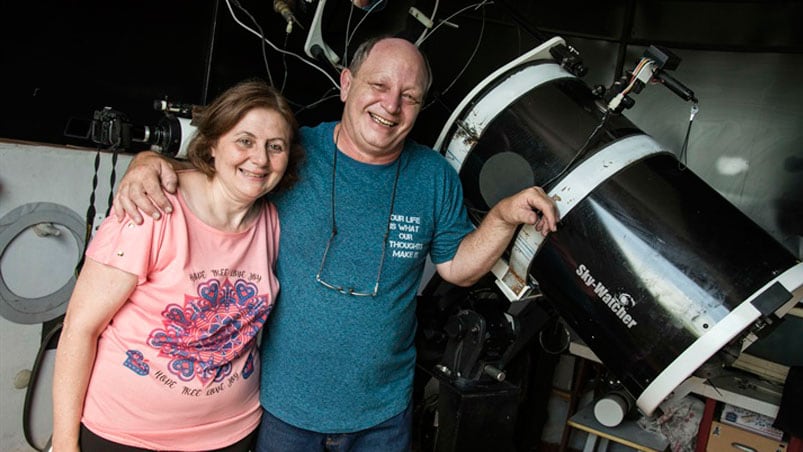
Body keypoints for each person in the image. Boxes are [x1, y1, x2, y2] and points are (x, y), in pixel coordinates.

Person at [113, 36, 559, 451]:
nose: (391, 105)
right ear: (347, 83)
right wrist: (149, 161)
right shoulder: (291, 152)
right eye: (379, 85)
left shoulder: (434, 176)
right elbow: (223, 170)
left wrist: (501, 218)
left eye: (409, 96)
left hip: (382, 415)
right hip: (281, 408)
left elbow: (456, 267)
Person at [51, 79, 303, 452]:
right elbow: (79, 329)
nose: (261, 159)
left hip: (232, 433)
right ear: (213, 144)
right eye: (245, 141)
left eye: (275, 147)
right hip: (127, 435)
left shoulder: (273, 220)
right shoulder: (151, 208)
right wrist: (64, 442)